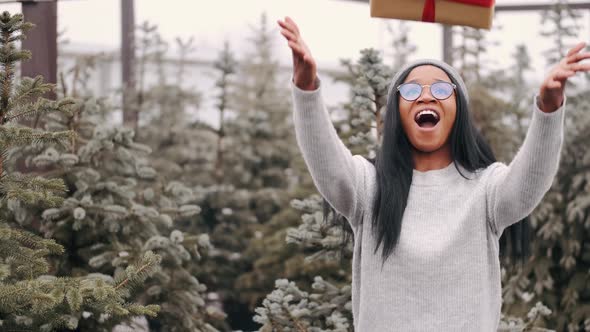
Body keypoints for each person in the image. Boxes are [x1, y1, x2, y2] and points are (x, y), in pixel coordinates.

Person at [277, 16, 590, 331]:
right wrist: (306, 89)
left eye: (441, 88)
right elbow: (329, 167)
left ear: (459, 110)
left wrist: (549, 109)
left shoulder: (486, 188)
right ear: (398, 111)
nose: (426, 96)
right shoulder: (368, 186)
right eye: (411, 90)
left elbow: (529, 185)